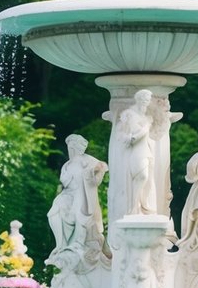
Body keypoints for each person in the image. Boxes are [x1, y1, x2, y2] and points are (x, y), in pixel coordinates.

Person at [47, 135, 108, 259]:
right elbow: (65, 183)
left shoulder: (88, 160)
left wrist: (95, 170)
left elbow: (101, 171)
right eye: (69, 146)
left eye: (72, 146)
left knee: (78, 205)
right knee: (53, 212)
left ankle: (77, 243)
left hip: (84, 196)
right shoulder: (66, 165)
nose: (71, 149)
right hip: (68, 195)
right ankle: (60, 245)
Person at [115, 89, 157, 217]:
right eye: (143, 99)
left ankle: (142, 207)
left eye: (147, 100)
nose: (146, 102)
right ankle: (133, 208)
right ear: (137, 99)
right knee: (142, 176)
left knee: (148, 180)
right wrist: (129, 138)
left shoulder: (146, 117)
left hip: (147, 150)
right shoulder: (129, 114)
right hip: (137, 150)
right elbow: (119, 132)